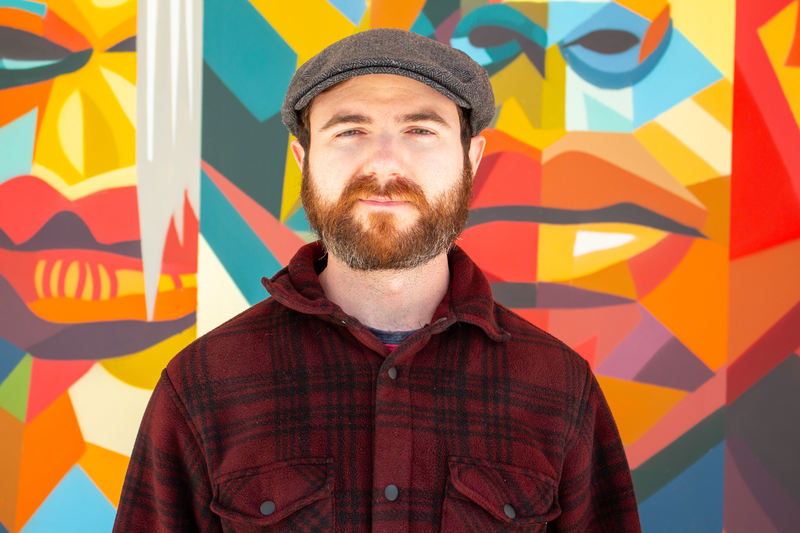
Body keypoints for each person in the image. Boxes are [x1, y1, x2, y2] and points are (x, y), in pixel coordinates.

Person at [114, 28, 641, 532]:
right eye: (350, 131)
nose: (385, 162)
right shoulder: (202, 385)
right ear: (304, 161)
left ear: (470, 159)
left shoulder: (559, 387)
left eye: (420, 130)